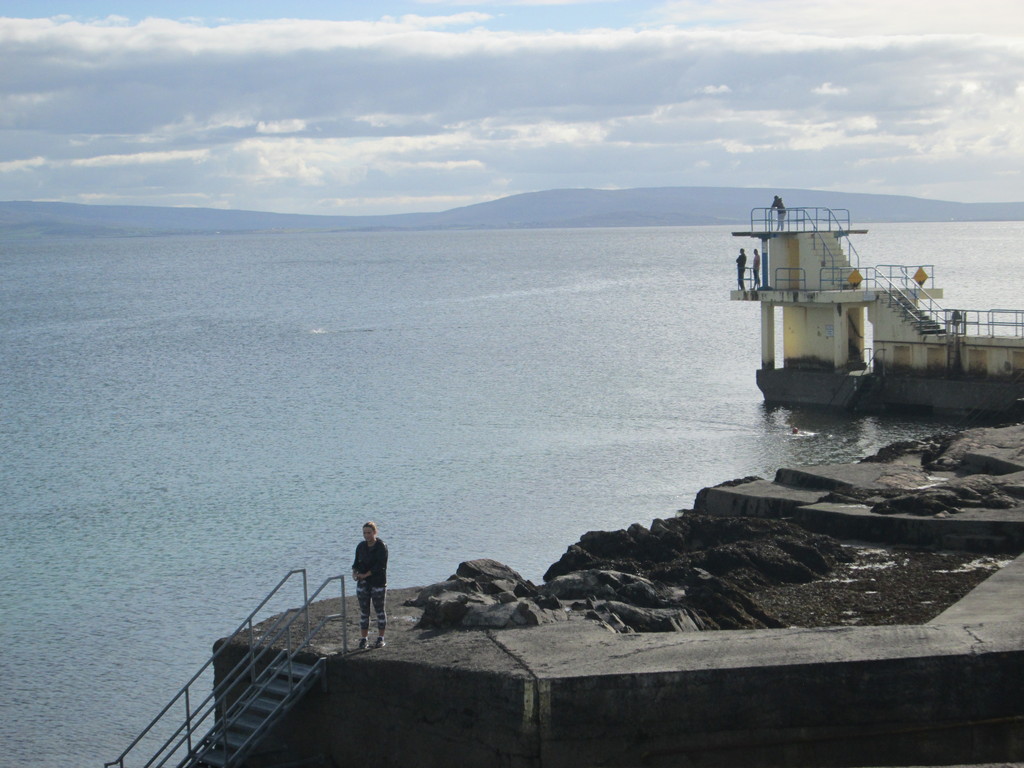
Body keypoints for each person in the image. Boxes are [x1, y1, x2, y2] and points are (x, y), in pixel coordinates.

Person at [352, 521, 389, 649]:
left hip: (377, 582)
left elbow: (381, 566)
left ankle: (380, 638)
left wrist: (366, 575)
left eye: (369, 533)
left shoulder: (381, 546)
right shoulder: (361, 547)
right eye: (364, 533)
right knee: (364, 612)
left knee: (379, 610)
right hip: (363, 583)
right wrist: (355, 573)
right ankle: (363, 639)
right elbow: (356, 563)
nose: (366, 535)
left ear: (374, 532)